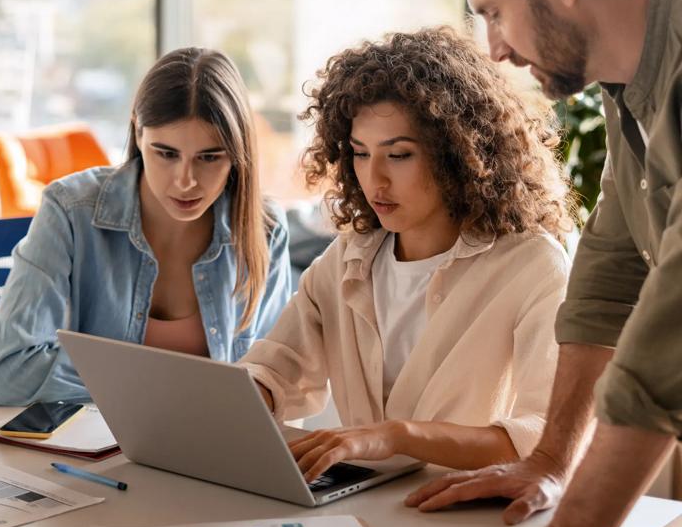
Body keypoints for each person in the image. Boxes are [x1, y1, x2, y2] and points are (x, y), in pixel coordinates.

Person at [412, 0, 682, 527]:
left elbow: (667, 347)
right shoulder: (634, 80)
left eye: (494, 12)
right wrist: (550, 460)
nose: (493, 49)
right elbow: (612, 272)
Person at [240, 26, 572, 481]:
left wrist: (395, 436)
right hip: (361, 511)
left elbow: (541, 435)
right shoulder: (347, 259)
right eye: (359, 153)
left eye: (398, 155)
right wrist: (241, 400)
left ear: (457, 154)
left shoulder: (532, 268)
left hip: (466, 512)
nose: (373, 179)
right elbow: (276, 369)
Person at [0, 48, 291, 405]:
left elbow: (274, 379)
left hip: (209, 451)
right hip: (93, 446)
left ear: (238, 153)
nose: (186, 181)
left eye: (209, 157)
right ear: (137, 130)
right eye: (166, 153)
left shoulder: (265, 228)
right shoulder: (69, 211)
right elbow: (9, 376)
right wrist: (173, 391)